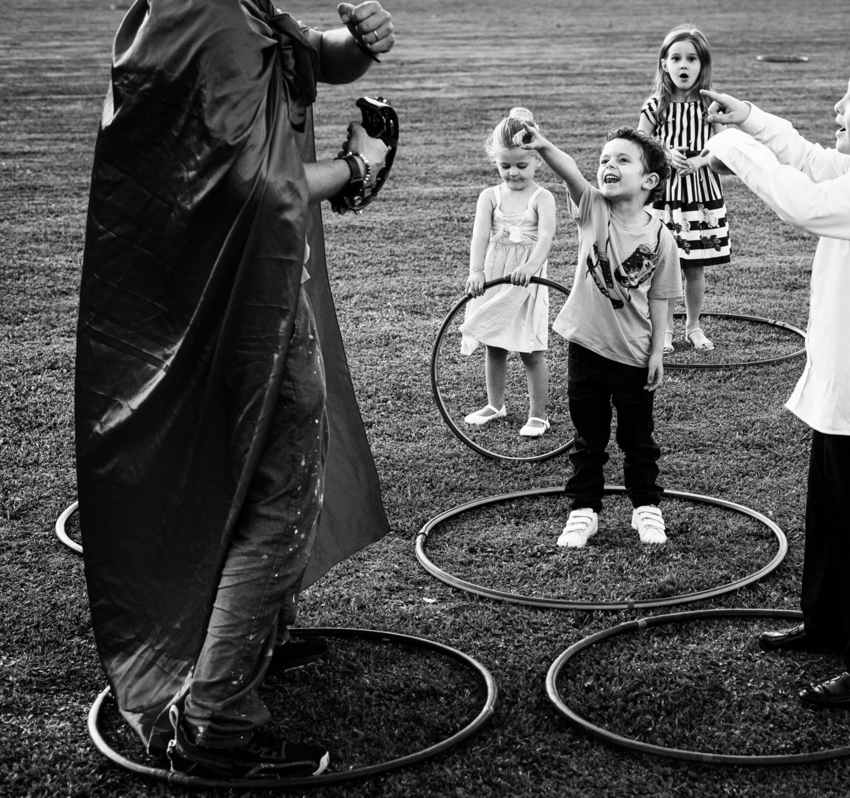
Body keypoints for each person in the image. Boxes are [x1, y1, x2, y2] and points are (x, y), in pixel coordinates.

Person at [76, 0, 395, 779]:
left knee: (248, 472)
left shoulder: (227, 8)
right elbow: (251, 189)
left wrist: (356, 44)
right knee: (278, 486)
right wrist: (359, 169)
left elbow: (303, 56)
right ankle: (217, 720)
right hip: (248, 310)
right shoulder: (209, 14)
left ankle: (249, 644)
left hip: (233, 300)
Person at [703, 47, 850, 708]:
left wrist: (729, 143)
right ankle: (827, 624)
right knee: (832, 513)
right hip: (844, 382)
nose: (839, 108)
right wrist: (749, 117)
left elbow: (803, 203)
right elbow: (809, 160)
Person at [515, 125, 682, 547]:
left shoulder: (662, 238)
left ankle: (646, 508)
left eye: (622, 160)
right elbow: (570, 172)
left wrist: (659, 349)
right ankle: (583, 511)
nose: (609, 165)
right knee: (588, 439)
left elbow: (661, 297)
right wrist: (544, 145)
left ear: (649, 182)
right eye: (605, 159)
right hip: (586, 348)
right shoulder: (592, 209)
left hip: (634, 355)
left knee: (638, 440)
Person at [460, 108, 558, 438]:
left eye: (521, 165)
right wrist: (476, 272)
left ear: (537, 160)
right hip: (495, 276)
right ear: (495, 162)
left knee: (530, 348)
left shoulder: (543, 198)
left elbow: (545, 238)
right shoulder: (490, 196)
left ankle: (538, 415)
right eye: (505, 166)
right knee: (494, 344)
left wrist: (530, 267)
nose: (513, 173)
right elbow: (480, 236)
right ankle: (495, 404)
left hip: (526, 280)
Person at [637, 23, 731, 353]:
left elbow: (724, 152)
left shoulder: (712, 108)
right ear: (664, 63)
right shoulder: (654, 106)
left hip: (701, 197)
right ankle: (661, 330)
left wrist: (701, 161)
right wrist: (664, 153)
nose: (683, 65)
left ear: (702, 65)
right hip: (666, 198)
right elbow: (639, 149)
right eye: (675, 58)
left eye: (692, 59)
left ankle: (693, 326)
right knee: (663, 265)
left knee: (694, 266)